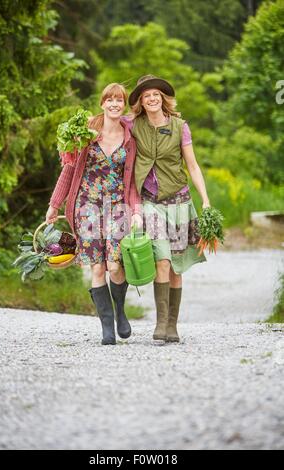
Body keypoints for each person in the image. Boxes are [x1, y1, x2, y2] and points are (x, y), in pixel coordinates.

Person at [46, 83, 141, 345]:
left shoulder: (130, 136)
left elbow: (132, 181)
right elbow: (68, 169)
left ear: (123, 105)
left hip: (118, 207)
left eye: (118, 100)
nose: (113, 104)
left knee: (114, 265)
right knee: (97, 267)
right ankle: (106, 326)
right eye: (109, 100)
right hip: (87, 207)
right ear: (102, 103)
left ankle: (121, 310)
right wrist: (55, 205)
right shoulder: (88, 133)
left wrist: (136, 210)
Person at [126, 75, 210, 343]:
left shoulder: (179, 126)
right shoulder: (133, 125)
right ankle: (160, 322)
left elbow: (193, 166)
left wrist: (205, 198)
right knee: (161, 260)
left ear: (163, 98)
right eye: (146, 95)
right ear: (140, 101)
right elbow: (108, 122)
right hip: (151, 203)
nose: (151, 99)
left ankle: (172, 326)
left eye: (156, 95)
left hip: (179, 202)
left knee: (176, 268)